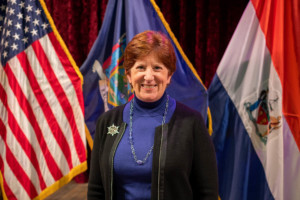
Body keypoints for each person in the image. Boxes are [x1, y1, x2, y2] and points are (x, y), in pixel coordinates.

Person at [88, 30, 218, 200]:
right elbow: (96, 190)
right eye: (140, 67)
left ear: (169, 75)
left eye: (157, 68)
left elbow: (207, 193)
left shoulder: (191, 123)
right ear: (128, 75)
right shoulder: (107, 122)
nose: (149, 77)